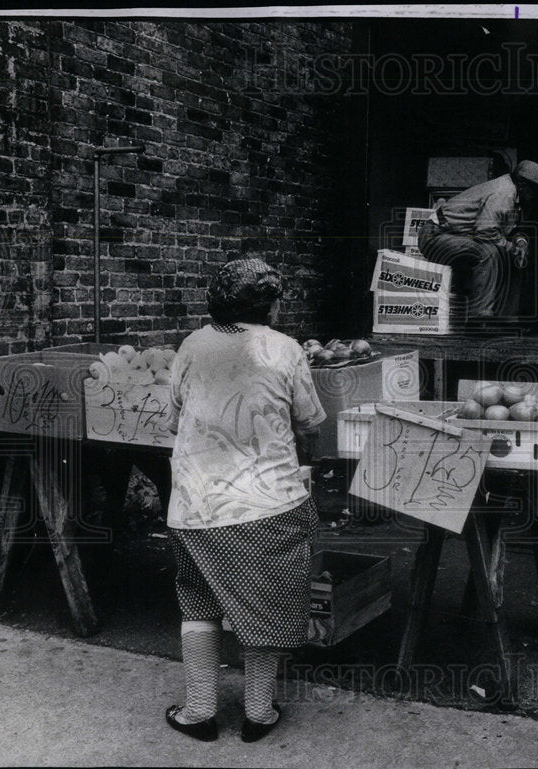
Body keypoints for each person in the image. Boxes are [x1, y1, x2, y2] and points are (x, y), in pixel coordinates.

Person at [164, 258, 327, 742]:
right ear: (270, 305)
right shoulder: (285, 348)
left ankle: (198, 713)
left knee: (197, 602)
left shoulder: (193, 344)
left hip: (196, 507)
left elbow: (174, 420)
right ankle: (259, 712)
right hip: (269, 508)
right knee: (268, 605)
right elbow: (310, 421)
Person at [418, 160, 538, 319]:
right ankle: (480, 317)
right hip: (435, 236)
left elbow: (516, 229)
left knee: (516, 259)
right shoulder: (503, 192)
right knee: (487, 252)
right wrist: (510, 247)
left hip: (460, 237)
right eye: (534, 191)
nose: (535, 197)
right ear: (523, 185)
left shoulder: (518, 197)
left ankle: (507, 319)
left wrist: (521, 244)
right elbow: (486, 233)